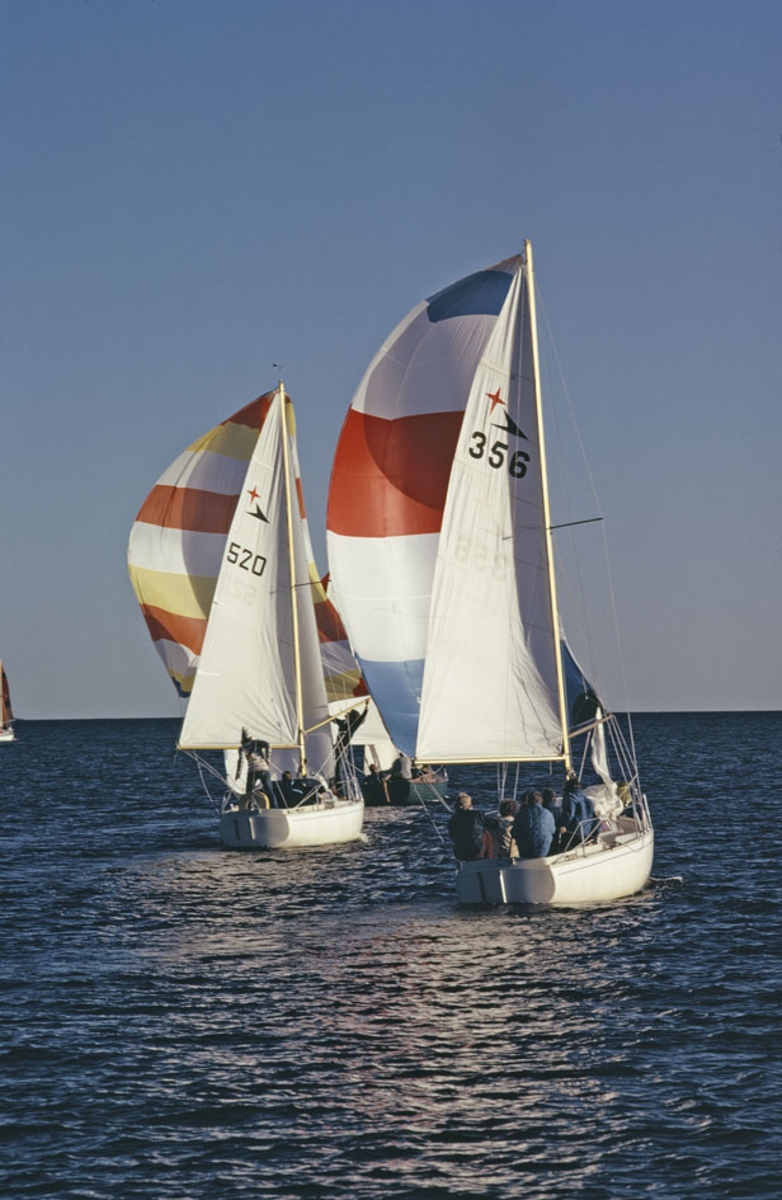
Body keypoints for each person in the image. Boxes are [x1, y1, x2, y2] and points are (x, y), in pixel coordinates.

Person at [447, 793, 491, 861]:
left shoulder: (453, 819)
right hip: (477, 850)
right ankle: (490, 858)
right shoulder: (477, 815)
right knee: (486, 834)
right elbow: (492, 824)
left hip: (460, 853)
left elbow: (452, 836)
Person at [512, 790, 556, 858]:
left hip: (525, 851)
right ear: (541, 801)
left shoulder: (521, 814)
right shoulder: (548, 813)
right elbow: (553, 830)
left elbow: (514, 833)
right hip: (543, 850)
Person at [240, 730, 272, 805]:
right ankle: (274, 807)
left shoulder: (242, 747)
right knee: (269, 790)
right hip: (264, 769)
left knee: (249, 792)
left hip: (252, 771)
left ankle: (249, 807)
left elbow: (241, 761)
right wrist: (267, 759)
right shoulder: (257, 743)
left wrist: (238, 773)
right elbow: (268, 745)